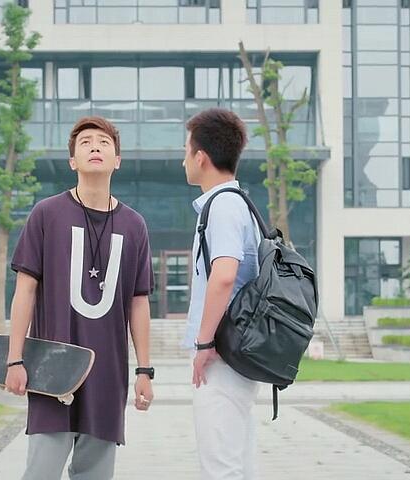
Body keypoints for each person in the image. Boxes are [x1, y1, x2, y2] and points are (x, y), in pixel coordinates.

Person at [5, 116, 155, 480]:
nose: (95, 147)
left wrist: (144, 370)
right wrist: (14, 360)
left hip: (107, 375)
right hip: (51, 370)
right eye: (85, 142)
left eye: (104, 142)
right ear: (73, 161)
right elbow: (25, 290)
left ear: (117, 160)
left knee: (95, 475)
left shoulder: (134, 225)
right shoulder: (46, 214)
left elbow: (138, 302)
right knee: (40, 473)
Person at [182, 108, 262, 479]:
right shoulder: (239, 202)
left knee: (221, 468)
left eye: (186, 152)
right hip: (236, 353)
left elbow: (224, 275)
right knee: (237, 463)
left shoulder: (224, 205)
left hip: (222, 355)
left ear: (200, 157)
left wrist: (204, 343)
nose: (183, 161)